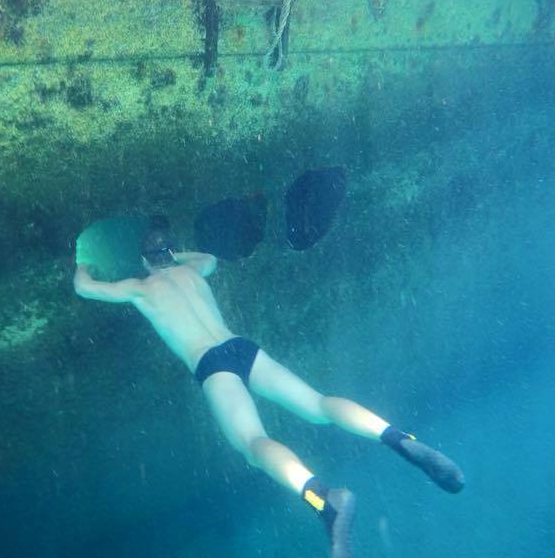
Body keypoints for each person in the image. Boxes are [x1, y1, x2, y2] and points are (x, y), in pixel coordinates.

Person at [74, 228, 464, 558]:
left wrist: (82, 258)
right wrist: (174, 253)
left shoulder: (140, 288)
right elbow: (208, 256)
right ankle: (398, 438)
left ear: (144, 262)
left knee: (252, 442)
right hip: (241, 347)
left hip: (210, 364)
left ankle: (322, 497)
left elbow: (84, 288)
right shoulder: (194, 271)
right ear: (170, 253)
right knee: (318, 404)